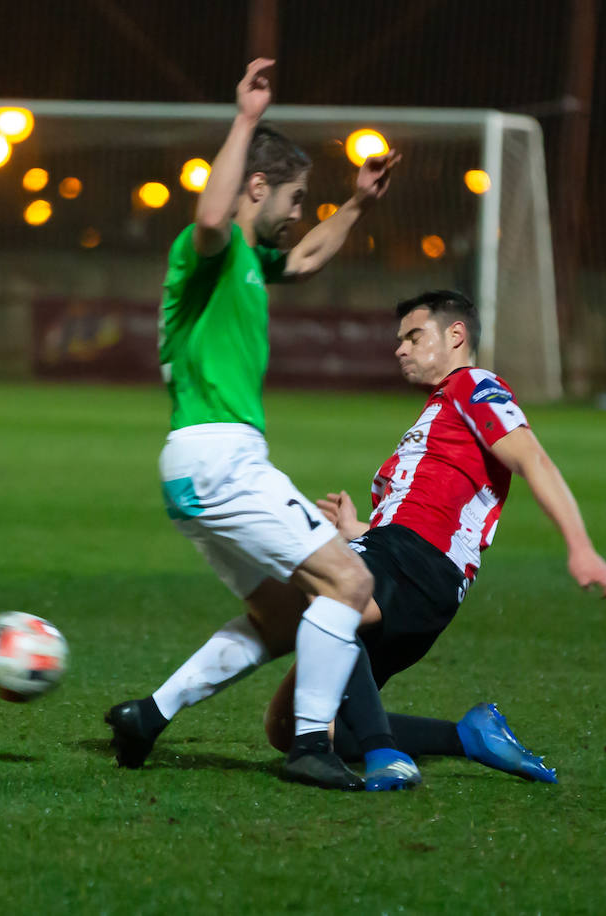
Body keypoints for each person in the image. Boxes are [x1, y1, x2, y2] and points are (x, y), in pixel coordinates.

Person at [108, 290, 606, 790]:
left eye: (413, 335)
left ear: (456, 334)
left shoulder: (475, 386)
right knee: (286, 727)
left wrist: (579, 546)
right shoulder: (436, 413)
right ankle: (469, 736)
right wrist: (358, 531)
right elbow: (434, 507)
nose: (400, 347)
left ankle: (381, 753)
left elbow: (531, 458)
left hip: (417, 564)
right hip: (409, 568)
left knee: (315, 596)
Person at [106, 59, 402, 790]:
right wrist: (243, 119)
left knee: (277, 618)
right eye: (295, 197)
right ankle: (309, 746)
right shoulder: (205, 250)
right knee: (351, 582)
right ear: (258, 188)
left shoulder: (246, 262)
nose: (302, 211)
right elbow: (211, 215)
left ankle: (147, 717)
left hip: (199, 465)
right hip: (219, 457)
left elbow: (302, 259)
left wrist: (357, 206)